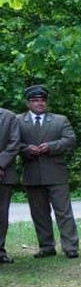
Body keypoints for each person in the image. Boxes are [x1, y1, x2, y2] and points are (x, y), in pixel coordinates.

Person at [18, 85, 80, 259]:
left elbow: (70, 140)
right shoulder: (18, 121)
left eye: (42, 100)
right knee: (39, 213)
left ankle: (71, 247)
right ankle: (46, 246)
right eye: (35, 100)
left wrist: (51, 147)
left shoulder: (60, 120)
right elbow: (12, 143)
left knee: (64, 211)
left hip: (56, 173)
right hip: (32, 173)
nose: (40, 103)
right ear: (28, 102)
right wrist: (26, 149)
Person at [0, 107, 19, 265]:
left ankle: (0, 251)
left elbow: (14, 143)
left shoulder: (9, 117)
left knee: (1, 214)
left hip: (3, 173)